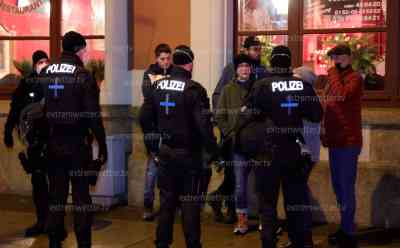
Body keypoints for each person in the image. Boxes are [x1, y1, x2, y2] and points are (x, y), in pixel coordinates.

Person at [241, 46, 322, 248]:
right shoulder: (302, 86)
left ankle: (268, 243)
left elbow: (248, 112)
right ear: (289, 63)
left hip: (267, 152)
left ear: (272, 63)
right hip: (293, 151)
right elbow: (316, 115)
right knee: (295, 202)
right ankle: (300, 242)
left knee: (267, 204)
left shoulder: (262, 85)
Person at [140, 45, 218, 248]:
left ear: (174, 63)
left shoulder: (157, 87)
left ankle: (162, 243)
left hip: (165, 153)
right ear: (190, 64)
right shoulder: (194, 89)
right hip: (189, 155)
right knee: (190, 204)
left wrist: (153, 148)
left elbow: (144, 117)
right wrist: (213, 151)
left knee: (166, 202)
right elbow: (203, 125)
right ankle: (193, 244)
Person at [39, 31, 108, 248]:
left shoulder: (46, 71)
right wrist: (102, 144)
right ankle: (84, 244)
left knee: (56, 197)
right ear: (78, 49)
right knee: (81, 200)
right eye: (84, 49)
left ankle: (53, 242)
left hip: (53, 144)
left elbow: (39, 109)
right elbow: (93, 116)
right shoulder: (83, 75)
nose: (86, 53)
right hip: (77, 146)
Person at [3, 50, 51, 237]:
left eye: (46, 61)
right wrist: (8, 130)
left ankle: (53, 222)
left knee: (55, 183)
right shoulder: (26, 83)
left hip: (53, 140)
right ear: (34, 64)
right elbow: (15, 108)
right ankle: (41, 221)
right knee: (38, 181)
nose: (43, 64)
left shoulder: (54, 80)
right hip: (34, 141)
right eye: (40, 62)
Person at [321, 44, 363, 248]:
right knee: (338, 188)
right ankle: (345, 227)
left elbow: (342, 95)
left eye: (338, 56)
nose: (335, 60)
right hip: (335, 141)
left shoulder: (355, 78)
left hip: (348, 142)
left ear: (348, 57)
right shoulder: (334, 78)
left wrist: (332, 74)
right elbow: (328, 105)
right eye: (333, 57)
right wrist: (324, 131)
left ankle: (349, 233)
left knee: (346, 188)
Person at [213, 54, 254, 234]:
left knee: (259, 184)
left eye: (247, 66)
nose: (245, 69)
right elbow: (219, 115)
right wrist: (229, 131)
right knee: (239, 184)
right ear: (236, 69)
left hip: (256, 144)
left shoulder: (257, 88)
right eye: (241, 66)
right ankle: (242, 219)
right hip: (237, 145)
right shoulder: (228, 89)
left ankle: (264, 219)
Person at [141, 43, 173, 221]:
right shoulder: (149, 73)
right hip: (154, 127)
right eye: (163, 59)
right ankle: (147, 204)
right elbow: (148, 94)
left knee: (168, 171)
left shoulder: (175, 72)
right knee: (152, 170)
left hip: (170, 127)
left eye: (168, 58)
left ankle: (167, 206)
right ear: (156, 59)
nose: (166, 62)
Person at [212, 36, 269, 109]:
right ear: (246, 50)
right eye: (255, 49)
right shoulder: (231, 68)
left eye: (260, 49)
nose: (258, 53)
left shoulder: (263, 70)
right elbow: (217, 94)